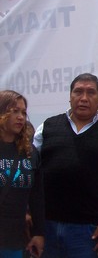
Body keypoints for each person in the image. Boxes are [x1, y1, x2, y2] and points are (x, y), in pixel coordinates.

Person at [33, 73, 98, 257]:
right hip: (45, 226)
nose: (84, 98)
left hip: (88, 231)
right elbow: (31, 172)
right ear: (70, 96)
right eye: (78, 92)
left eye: (91, 92)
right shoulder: (47, 127)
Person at [0, 90, 44, 258]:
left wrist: (39, 233)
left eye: (24, 112)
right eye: (14, 111)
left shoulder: (29, 152)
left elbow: (37, 196)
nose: (20, 117)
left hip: (17, 240)